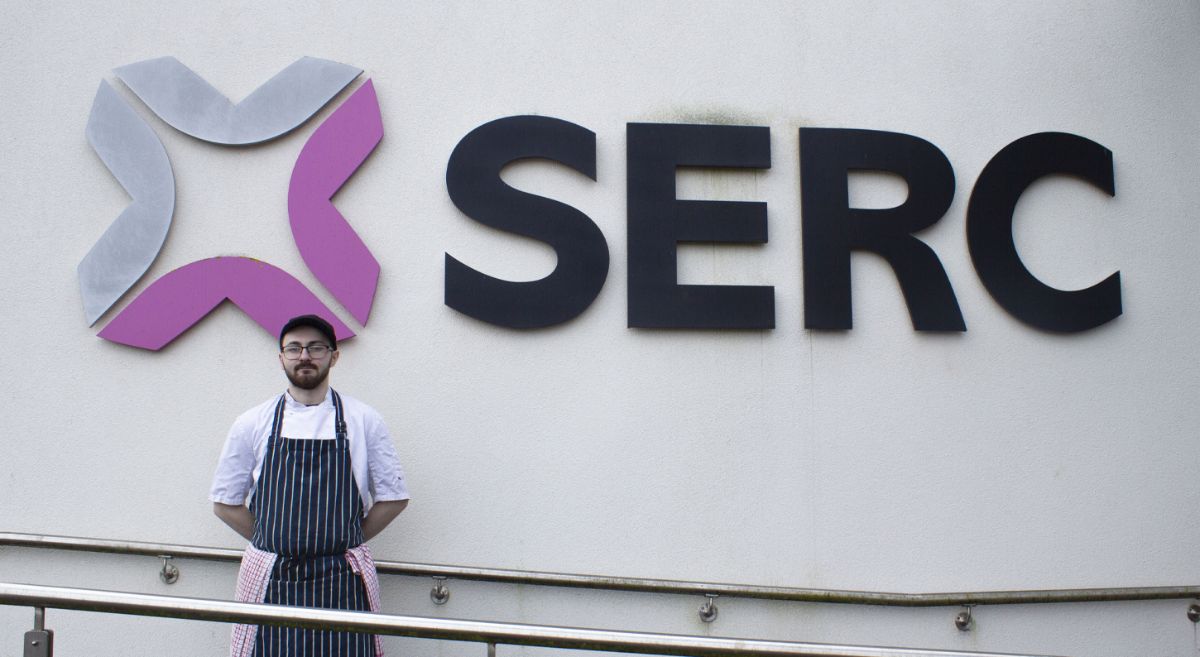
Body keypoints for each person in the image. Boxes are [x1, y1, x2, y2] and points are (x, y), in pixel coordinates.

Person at [210, 314, 409, 657]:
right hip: (272, 581)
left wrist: (348, 537)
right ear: (281, 357)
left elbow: (393, 498)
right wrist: (271, 539)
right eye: (294, 348)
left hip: (341, 582)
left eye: (316, 347)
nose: (304, 356)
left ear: (334, 356)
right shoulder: (252, 423)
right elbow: (224, 503)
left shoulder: (363, 420)